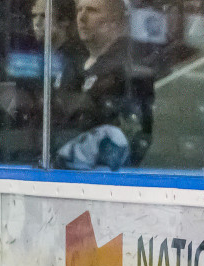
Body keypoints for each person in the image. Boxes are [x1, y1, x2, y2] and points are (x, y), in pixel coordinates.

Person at [52, 0, 155, 169]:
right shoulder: (73, 62)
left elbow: (132, 134)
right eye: (79, 10)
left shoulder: (126, 67)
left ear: (114, 21)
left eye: (92, 11)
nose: (82, 18)